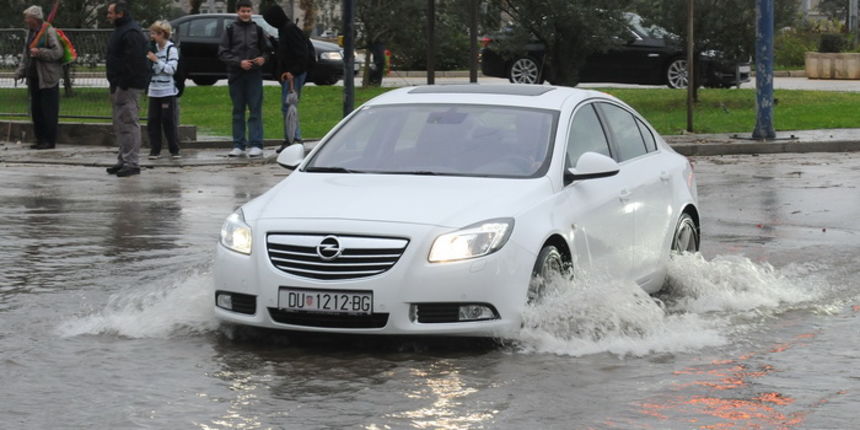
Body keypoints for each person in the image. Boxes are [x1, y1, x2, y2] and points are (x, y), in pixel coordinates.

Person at [218, 0, 268, 158]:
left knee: (255, 110)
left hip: (254, 75)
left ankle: (256, 144)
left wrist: (263, 59)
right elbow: (223, 52)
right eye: (242, 11)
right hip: (236, 75)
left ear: (251, 12)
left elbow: (267, 51)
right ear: (237, 12)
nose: (245, 14)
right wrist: (238, 62)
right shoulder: (230, 29)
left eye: (248, 11)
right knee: (238, 110)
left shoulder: (258, 30)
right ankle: (238, 145)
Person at [104, 0, 148, 177]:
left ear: (120, 14)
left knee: (128, 122)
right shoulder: (122, 30)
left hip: (128, 85)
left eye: (110, 13)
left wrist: (123, 82)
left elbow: (134, 61)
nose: (108, 16)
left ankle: (132, 162)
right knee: (120, 123)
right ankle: (123, 159)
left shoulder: (131, 32)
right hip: (119, 83)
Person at [14, 5, 63, 150]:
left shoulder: (48, 31)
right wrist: (20, 72)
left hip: (47, 78)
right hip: (34, 77)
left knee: (48, 110)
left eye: (27, 17)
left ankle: (49, 141)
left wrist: (40, 52)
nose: (25, 20)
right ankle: (40, 139)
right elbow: (26, 55)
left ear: (34, 19)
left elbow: (57, 53)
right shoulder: (30, 33)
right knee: (36, 110)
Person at [262, 5, 308, 153]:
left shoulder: (289, 29)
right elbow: (285, 50)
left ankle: (294, 138)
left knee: (289, 107)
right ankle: (291, 138)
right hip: (291, 73)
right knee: (288, 107)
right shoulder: (284, 28)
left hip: (293, 74)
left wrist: (292, 72)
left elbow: (301, 53)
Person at [145, 20, 181, 160]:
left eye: (154, 33)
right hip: (154, 90)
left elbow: (171, 69)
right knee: (153, 120)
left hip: (167, 91)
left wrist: (156, 61)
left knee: (168, 120)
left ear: (162, 34)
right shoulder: (151, 48)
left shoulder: (171, 49)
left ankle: (174, 149)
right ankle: (155, 149)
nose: (151, 36)